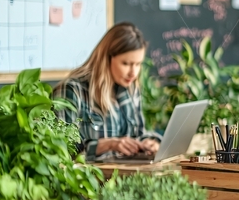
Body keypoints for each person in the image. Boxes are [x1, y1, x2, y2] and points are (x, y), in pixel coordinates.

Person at [54, 22, 161, 162]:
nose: (133, 73)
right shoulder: (72, 91)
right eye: (126, 63)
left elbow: (138, 134)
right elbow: (60, 152)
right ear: (107, 58)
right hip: (89, 181)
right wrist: (106, 145)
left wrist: (150, 143)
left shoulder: (131, 88)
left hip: (126, 175)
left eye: (138, 64)